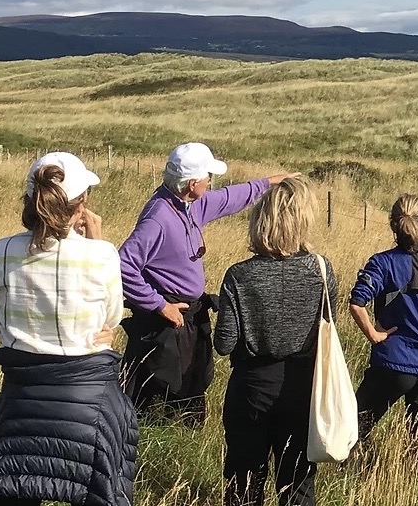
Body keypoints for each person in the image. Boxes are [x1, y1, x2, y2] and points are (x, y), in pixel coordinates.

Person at [0, 152, 138, 506]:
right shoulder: (103, 254)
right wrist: (96, 241)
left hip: (21, 395)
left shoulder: (1, 251)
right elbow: (111, 318)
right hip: (89, 400)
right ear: (82, 206)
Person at [119, 141, 298, 424]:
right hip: (165, 324)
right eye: (207, 177)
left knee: (191, 389)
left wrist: (270, 182)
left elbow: (231, 197)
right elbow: (123, 264)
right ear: (192, 184)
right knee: (160, 398)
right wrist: (159, 306)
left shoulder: (191, 205)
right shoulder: (159, 218)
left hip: (186, 318)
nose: (211, 182)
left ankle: (184, 433)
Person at [214, 176, 332, 506]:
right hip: (301, 386)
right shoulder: (322, 270)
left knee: (244, 482)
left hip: (251, 387)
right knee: (297, 485)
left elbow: (224, 343)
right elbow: (326, 329)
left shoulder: (239, 275)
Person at [348, 193, 418, 464]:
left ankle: (353, 481)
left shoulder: (382, 263)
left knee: (352, 430)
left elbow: (356, 303)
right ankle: (415, 490)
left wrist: (374, 335)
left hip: (392, 365)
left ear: (392, 225)